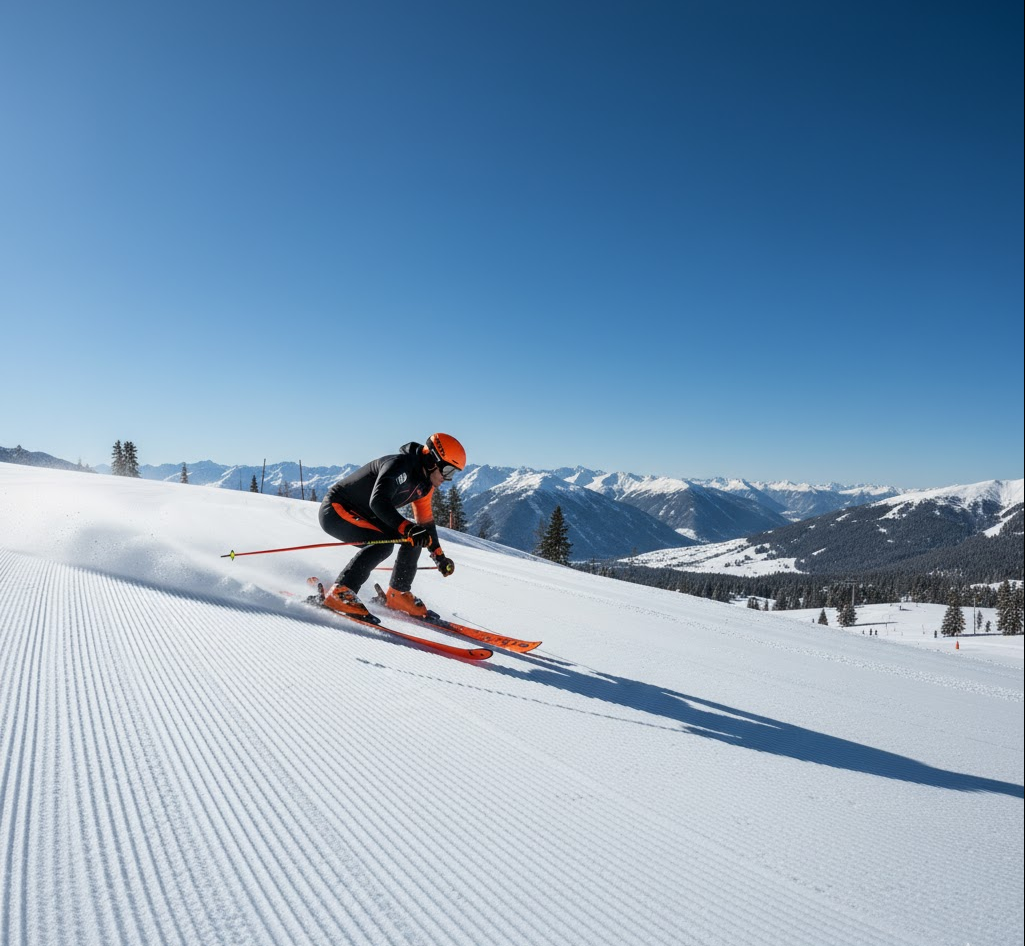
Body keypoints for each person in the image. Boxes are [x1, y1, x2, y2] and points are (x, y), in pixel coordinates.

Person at [317, 433, 466, 621]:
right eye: (448, 471)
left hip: (368, 515)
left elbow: (425, 523)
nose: (448, 478)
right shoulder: (399, 465)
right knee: (382, 544)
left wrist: (439, 556)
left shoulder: (425, 485)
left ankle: (398, 595)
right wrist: (407, 528)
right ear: (432, 460)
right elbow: (378, 502)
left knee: (415, 537)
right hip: (337, 509)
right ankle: (341, 592)